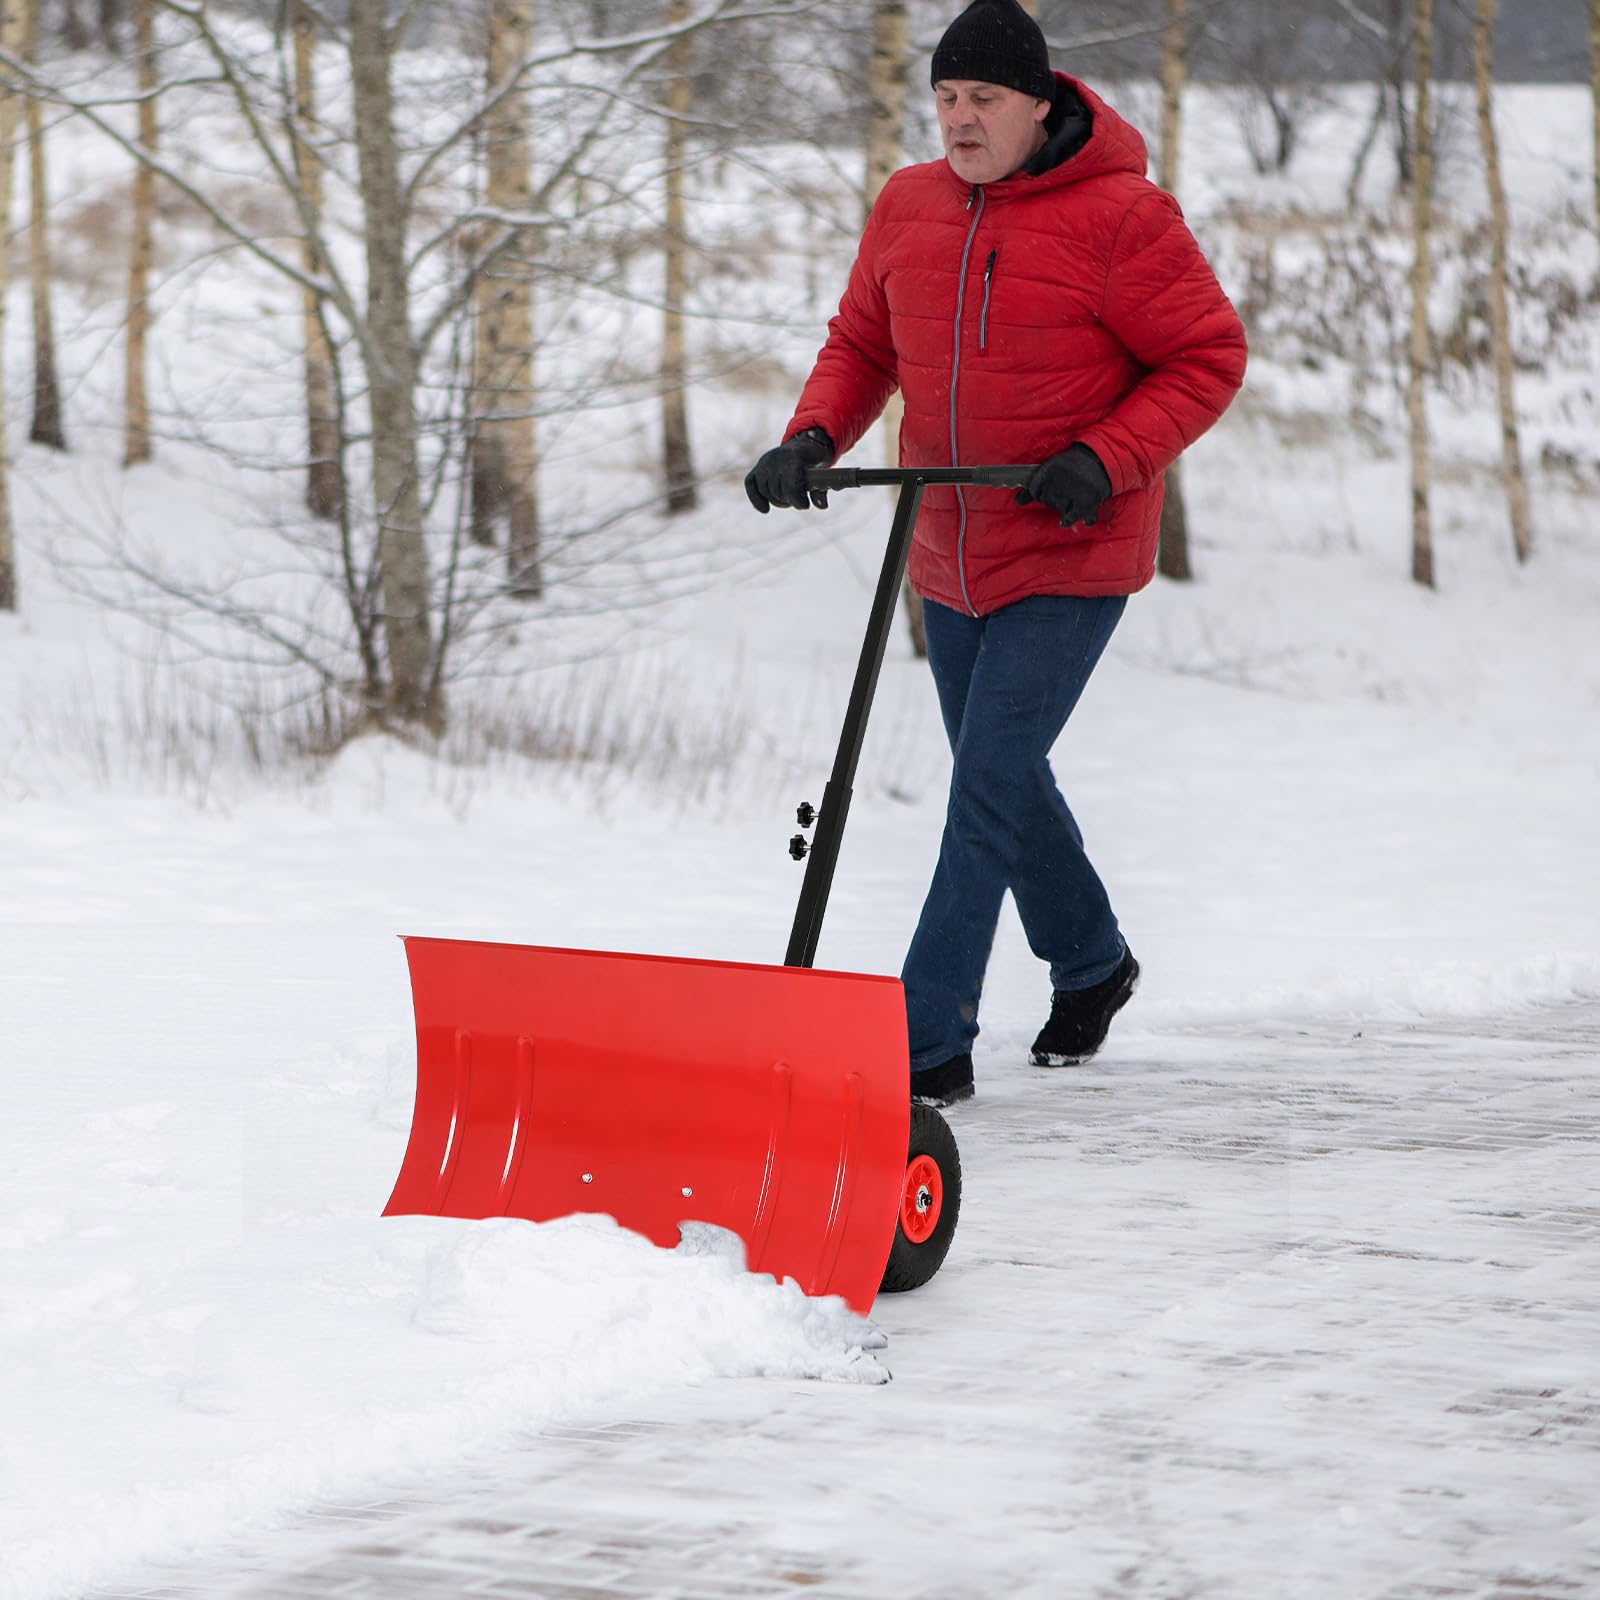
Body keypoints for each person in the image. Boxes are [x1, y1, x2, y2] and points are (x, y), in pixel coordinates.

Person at [745, 0, 1247, 1107]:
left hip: (1069, 548)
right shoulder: (908, 203)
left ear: (1038, 104)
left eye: (984, 99)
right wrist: (813, 435)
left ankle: (924, 1044)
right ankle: (1092, 961)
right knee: (1004, 775)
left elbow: (1207, 357)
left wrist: (1103, 457)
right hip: (947, 548)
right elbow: (863, 341)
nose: (961, 119)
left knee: (982, 790)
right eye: (946, 98)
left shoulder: (1123, 216)